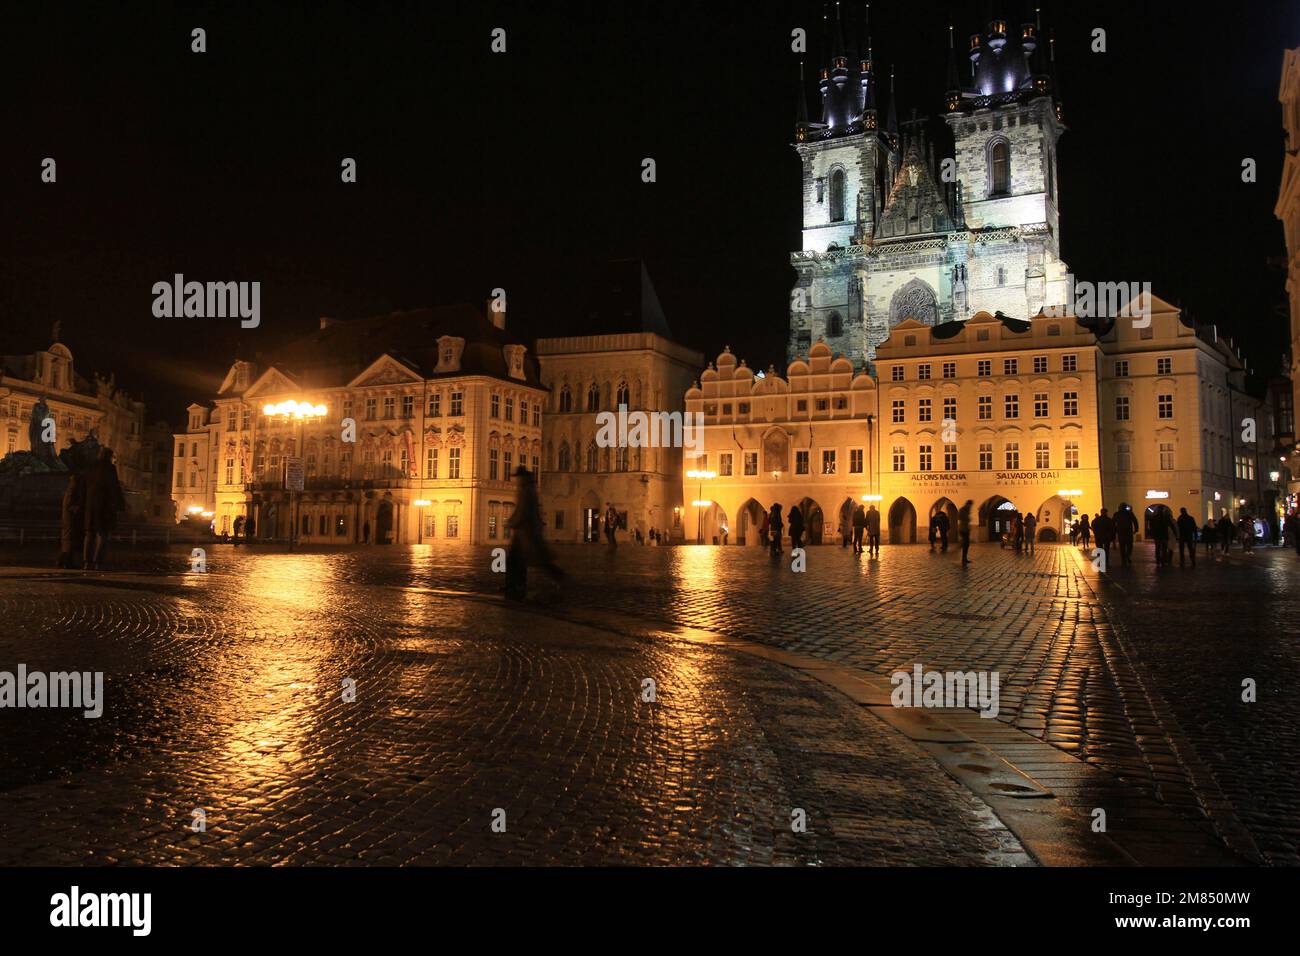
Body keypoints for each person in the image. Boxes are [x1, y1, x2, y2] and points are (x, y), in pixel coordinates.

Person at [504, 466, 564, 601]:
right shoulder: (527, 488)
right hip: (524, 532)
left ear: (522, 477)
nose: (516, 480)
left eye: (517, 477)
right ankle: (515, 585)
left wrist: (512, 522)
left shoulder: (526, 490)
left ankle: (559, 578)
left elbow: (523, 510)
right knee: (519, 560)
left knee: (536, 560)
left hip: (527, 532)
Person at [83, 447, 125, 570]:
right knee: (103, 534)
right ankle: (98, 562)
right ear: (109, 457)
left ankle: (86, 561)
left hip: (90, 505)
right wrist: (120, 505)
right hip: (105, 506)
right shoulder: (110, 469)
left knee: (89, 534)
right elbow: (114, 487)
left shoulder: (91, 467)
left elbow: (85, 485)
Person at [58, 473, 86, 569]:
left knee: (67, 538)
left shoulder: (70, 491)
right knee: (69, 538)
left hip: (68, 519)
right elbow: (70, 505)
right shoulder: (72, 491)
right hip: (70, 519)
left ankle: (63, 560)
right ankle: (66, 561)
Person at [957, 499, 973, 565]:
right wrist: (967, 518)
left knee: (966, 544)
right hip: (963, 529)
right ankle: (964, 559)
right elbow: (960, 517)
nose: (971, 507)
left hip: (965, 528)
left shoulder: (966, 510)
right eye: (970, 505)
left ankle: (964, 558)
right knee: (966, 544)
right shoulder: (963, 510)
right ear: (968, 504)